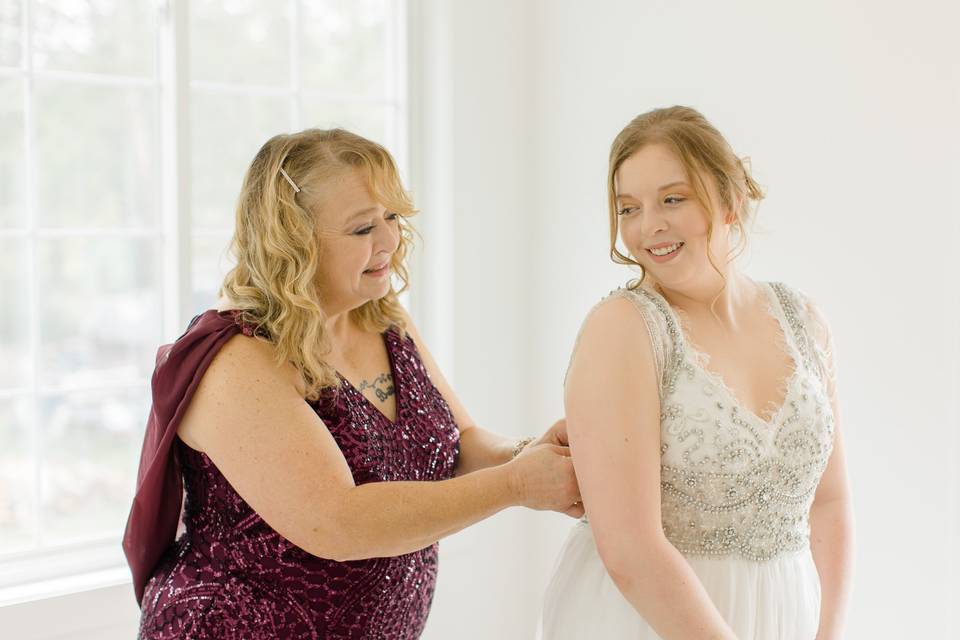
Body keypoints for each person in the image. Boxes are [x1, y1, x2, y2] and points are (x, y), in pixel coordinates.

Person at [123, 128, 582, 640]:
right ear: (292, 239)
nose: (390, 241)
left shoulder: (385, 321)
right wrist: (518, 483)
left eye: (392, 217)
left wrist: (528, 453)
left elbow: (458, 442)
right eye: (363, 228)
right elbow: (338, 521)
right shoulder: (236, 360)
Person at [540, 106, 853, 639]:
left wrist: (827, 634)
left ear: (729, 198)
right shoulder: (622, 330)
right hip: (650, 622)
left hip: (785, 616)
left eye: (671, 199)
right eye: (629, 208)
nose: (648, 226)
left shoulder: (803, 322)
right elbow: (630, 548)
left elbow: (830, 502)